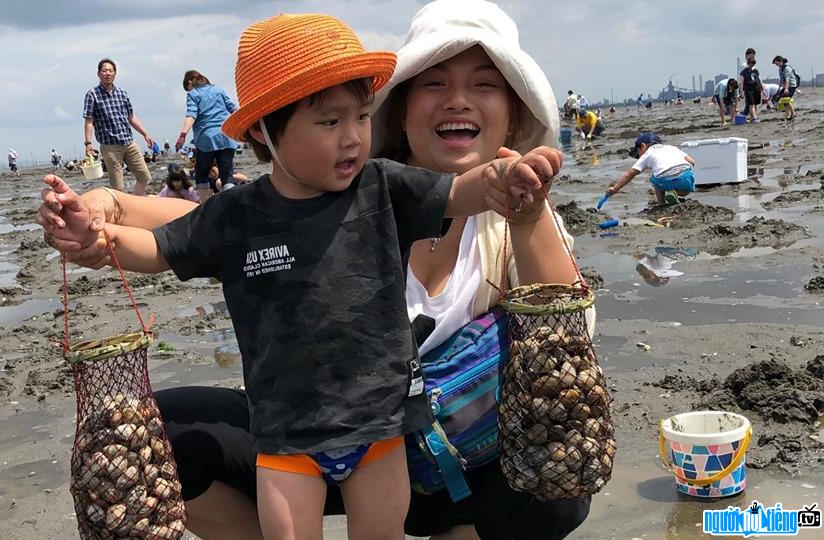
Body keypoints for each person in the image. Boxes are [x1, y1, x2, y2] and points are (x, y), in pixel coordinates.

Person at [37, 2, 589, 538]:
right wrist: (103, 228)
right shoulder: (253, 212)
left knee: (545, 468)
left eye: (485, 84)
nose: (351, 135)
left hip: (409, 438)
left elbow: (563, 346)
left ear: (514, 110)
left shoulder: (390, 189)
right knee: (165, 430)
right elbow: (175, 239)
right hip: (291, 430)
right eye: (436, 82)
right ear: (263, 133)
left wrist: (514, 195)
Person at [83, 58, 154, 195]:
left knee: (144, 177)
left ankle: (134, 204)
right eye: (104, 71)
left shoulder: (122, 93)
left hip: (129, 142)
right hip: (110, 146)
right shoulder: (92, 94)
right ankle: (120, 213)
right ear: (98, 74)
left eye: (110, 71)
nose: (108, 73)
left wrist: (145, 134)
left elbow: (131, 117)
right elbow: (89, 120)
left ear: (115, 74)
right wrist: (88, 143)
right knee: (118, 188)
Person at [175, 70, 239, 201]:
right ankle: (232, 204)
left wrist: (182, 135)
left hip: (206, 139)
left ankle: (203, 206)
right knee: (227, 175)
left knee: (202, 173)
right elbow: (233, 109)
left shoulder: (193, 94)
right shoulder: (218, 90)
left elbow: (191, 115)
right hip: (226, 137)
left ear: (189, 83)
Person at [607, 132, 695, 206]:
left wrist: (615, 189)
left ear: (643, 146)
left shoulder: (647, 154)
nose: (639, 155)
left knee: (655, 177)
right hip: (686, 180)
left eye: (638, 151)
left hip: (664, 180)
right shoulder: (671, 147)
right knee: (684, 187)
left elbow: (629, 174)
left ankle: (661, 202)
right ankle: (675, 192)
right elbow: (692, 161)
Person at [772, 55, 797, 121]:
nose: (776, 65)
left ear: (781, 61)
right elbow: (781, 80)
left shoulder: (787, 68)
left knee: (785, 100)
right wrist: (779, 89)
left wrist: (786, 89)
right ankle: (788, 115)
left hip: (791, 86)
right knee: (781, 100)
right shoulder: (781, 68)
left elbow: (787, 79)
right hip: (785, 86)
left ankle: (793, 114)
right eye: (775, 64)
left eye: (777, 63)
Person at [739, 58, 763, 123]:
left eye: (753, 64)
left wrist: (762, 88)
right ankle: (753, 118)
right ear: (748, 63)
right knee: (751, 104)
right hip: (749, 89)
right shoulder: (744, 72)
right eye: (751, 63)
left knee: (755, 104)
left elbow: (759, 80)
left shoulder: (756, 71)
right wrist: (741, 92)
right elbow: (741, 82)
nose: (752, 65)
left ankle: (754, 117)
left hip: (756, 88)